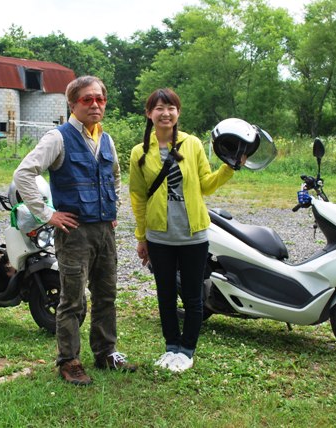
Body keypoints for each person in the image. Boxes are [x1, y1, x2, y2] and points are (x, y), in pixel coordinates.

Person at [13, 75, 136, 386]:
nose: (95, 104)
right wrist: (48, 214)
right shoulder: (58, 138)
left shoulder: (106, 139)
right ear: (72, 104)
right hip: (75, 233)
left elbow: (115, 175)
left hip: (104, 231)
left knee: (106, 295)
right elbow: (24, 173)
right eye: (87, 99)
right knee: (73, 300)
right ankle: (69, 361)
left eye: (100, 99)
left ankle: (106, 352)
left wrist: (114, 207)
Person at [128, 88, 246, 372]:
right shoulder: (139, 152)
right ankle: (171, 347)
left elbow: (206, 184)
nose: (165, 113)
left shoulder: (191, 144)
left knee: (193, 296)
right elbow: (138, 197)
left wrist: (229, 168)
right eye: (159, 108)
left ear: (178, 112)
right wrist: (142, 237)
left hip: (193, 235)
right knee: (165, 295)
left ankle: (187, 351)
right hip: (159, 237)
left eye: (171, 108)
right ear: (149, 113)